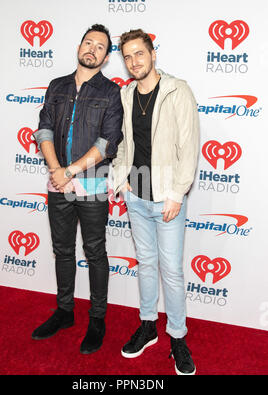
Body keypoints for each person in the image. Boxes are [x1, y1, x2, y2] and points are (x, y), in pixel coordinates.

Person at [32, 24, 123, 355]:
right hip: (58, 185)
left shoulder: (111, 93)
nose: (92, 49)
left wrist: (68, 170)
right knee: (63, 250)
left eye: (100, 47)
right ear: (79, 46)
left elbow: (107, 143)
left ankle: (97, 319)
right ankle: (65, 311)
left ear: (106, 55)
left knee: (95, 252)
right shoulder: (56, 86)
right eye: (88, 43)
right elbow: (43, 130)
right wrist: (57, 172)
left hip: (94, 187)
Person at [112, 29, 199, 374]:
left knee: (172, 272)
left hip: (166, 200)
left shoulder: (178, 91)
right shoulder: (126, 94)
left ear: (152, 54)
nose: (134, 61)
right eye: (128, 56)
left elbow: (189, 148)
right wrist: (121, 181)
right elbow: (122, 144)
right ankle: (148, 325)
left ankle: (177, 337)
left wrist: (176, 194)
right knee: (146, 265)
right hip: (136, 195)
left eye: (139, 54)